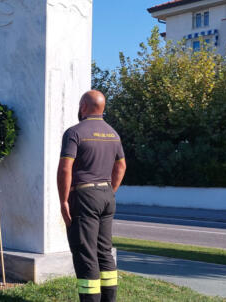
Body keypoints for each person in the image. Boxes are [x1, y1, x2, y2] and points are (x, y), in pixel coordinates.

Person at [57, 90, 127, 302]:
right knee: (104, 252)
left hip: (84, 195)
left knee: (86, 253)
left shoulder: (74, 133)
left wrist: (63, 201)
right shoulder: (113, 134)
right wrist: (110, 190)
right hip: (106, 195)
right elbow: (121, 166)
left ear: (84, 107)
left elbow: (65, 169)